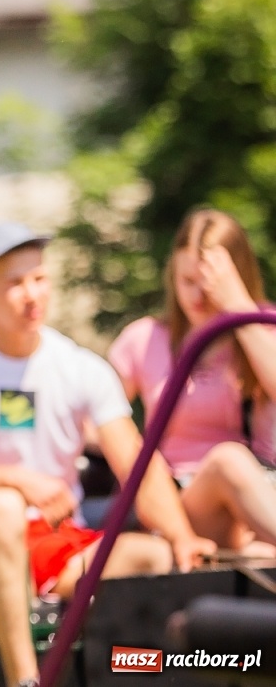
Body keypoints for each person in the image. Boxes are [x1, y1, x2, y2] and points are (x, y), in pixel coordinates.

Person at [0, 223, 215, 687]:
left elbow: (134, 464)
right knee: (2, 505)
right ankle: (26, 681)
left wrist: (181, 537)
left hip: (61, 547)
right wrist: (17, 479)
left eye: (39, 279)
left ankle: (132, 674)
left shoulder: (80, 368)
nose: (31, 294)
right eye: (15, 282)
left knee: (153, 559)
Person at [108, 209, 276, 554]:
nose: (196, 297)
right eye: (187, 282)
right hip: (183, 503)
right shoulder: (145, 338)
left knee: (257, 556)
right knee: (228, 459)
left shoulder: (263, 328)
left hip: (258, 504)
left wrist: (239, 308)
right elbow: (99, 421)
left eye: (208, 283)